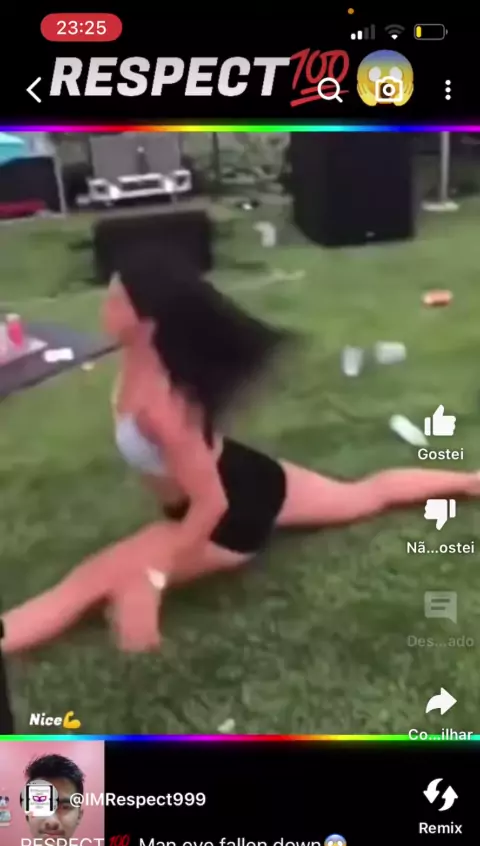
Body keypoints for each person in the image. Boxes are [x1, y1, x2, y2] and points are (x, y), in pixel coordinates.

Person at [2, 250, 480, 653]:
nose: (104, 307)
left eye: (114, 299)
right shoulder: (143, 358)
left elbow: (212, 504)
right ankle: (471, 481)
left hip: (224, 516)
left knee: (87, 582)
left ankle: (469, 481)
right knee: (363, 494)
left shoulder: (162, 410)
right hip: (251, 473)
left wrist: (155, 573)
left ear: (146, 320)